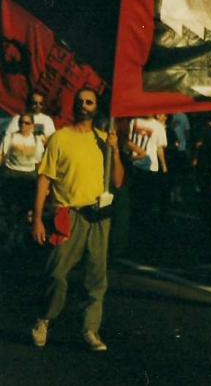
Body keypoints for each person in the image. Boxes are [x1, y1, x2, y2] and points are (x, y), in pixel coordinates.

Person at [30, 87, 124, 351]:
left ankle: (90, 330)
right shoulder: (60, 138)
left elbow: (117, 180)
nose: (84, 105)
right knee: (56, 274)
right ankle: (44, 319)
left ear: (96, 107)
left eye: (89, 101)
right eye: (80, 101)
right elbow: (44, 180)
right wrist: (37, 219)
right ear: (74, 106)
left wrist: (115, 151)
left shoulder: (104, 139)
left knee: (96, 279)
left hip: (98, 217)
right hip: (67, 215)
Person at [0, 111, 45, 252]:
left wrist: (41, 182)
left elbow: (39, 163)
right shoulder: (11, 137)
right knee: (10, 210)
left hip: (28, 178)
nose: (23, 125)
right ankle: (8, 240)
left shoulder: (37, 141)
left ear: (32, 125)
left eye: (27, 123)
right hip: (11, 176)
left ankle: (19, 240)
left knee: (24, 211)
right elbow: (2, 155)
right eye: (21, 122)